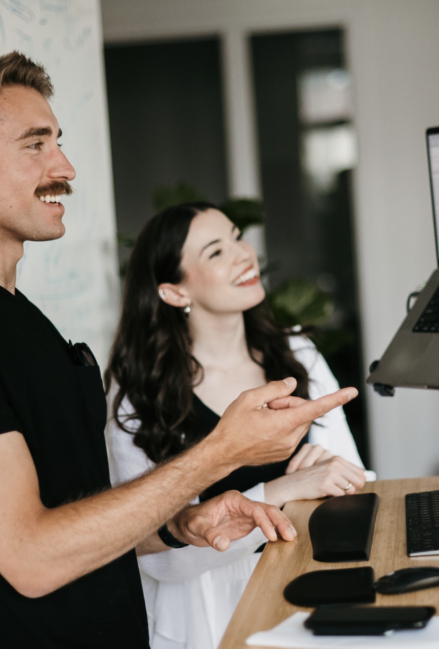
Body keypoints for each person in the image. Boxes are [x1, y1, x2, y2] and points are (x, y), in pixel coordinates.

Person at [0, 52, 359, 649]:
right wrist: (219, 452)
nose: (64, 166)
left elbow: (78, 520)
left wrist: (178, 527)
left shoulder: (17, 316)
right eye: (35, 145)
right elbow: (32, 556)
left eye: (59, 143)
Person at [105, 203, 375, 649]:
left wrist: (333, 472)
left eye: (236, 236)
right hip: (210, 615)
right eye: (215, 252)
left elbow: (356, 480)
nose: (243, 254)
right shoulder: (137, 391)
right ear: (173, 292)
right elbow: (157, 558)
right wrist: (280, 492)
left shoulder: (296, 352)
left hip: (314, 582)